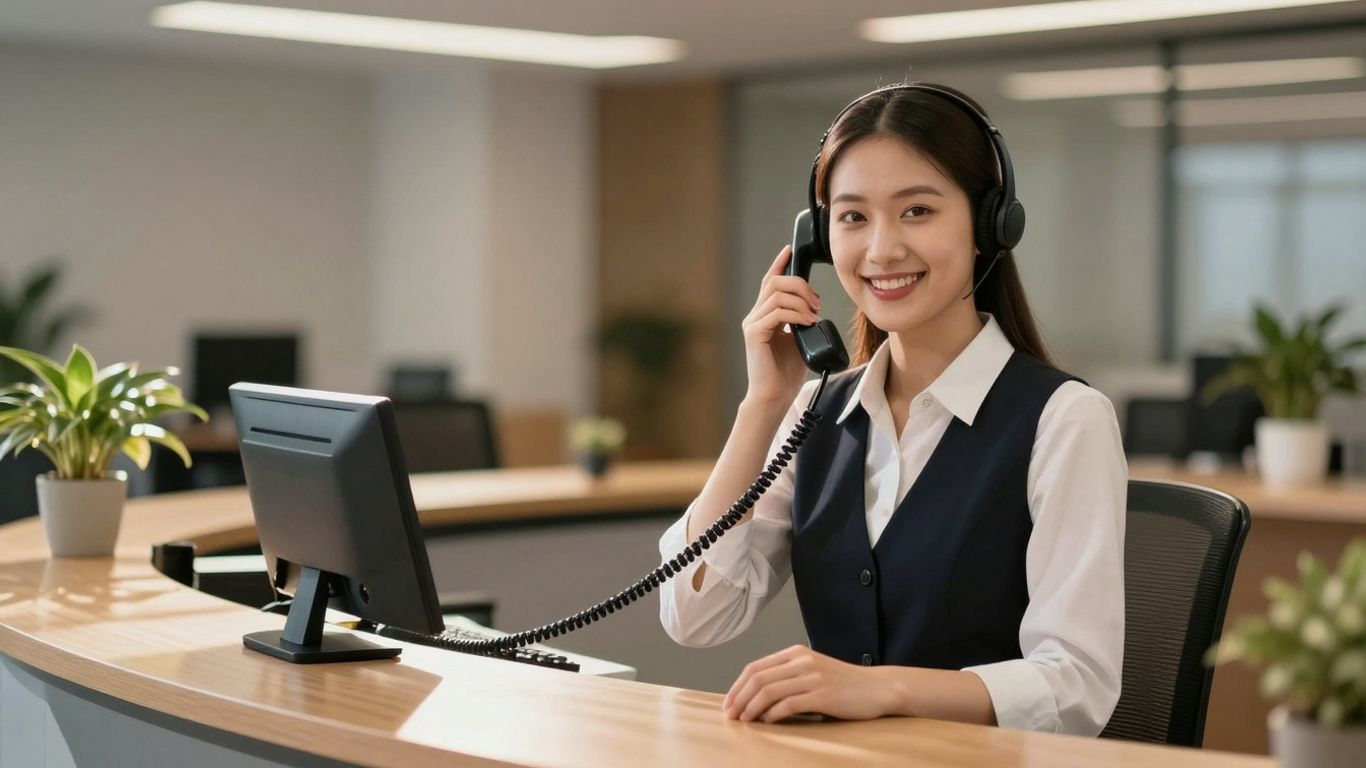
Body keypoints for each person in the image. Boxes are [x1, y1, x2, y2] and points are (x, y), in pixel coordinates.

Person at [657, 83, 1126, 736]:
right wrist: (762, 404)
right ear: (819, 240)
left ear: (989, 225)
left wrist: (882, 689)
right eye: (853, 217)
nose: (880, 250)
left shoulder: (1064, 419)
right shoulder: (815, 415)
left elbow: (1077, 684)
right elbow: (697, 617)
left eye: (917, 211)